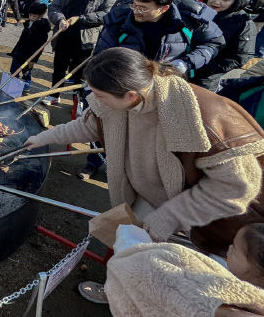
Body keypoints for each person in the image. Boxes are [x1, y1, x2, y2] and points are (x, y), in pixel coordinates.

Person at [24, 47, 264, 302]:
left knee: (183, 278)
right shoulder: (117, 103)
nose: (94, 100)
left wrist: (172, 215)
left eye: (99, 95)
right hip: (149, 196)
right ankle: (119, 291)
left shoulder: (202, 117)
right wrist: (41, 139)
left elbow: (237, 187)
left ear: (130, 95)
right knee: (131, 253)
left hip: (203, 217)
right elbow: (88, 125)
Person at [104, 223, 264, 315]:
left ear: (254, 269)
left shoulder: (229, 307)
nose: (229, 248)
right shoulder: (223, 267)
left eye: (235, 248)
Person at [95, 0, 225, 79]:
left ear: (164, 8)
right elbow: (103, 53)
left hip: (171, 80)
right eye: (134, 5)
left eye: (143, 8)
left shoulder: (191, 19)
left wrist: (186, 63)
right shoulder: (120, 19)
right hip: (131, 79)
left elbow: (214, 43)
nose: (136, 11)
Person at [45, 0, 115, 105]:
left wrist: (81, 18)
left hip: (86, 41)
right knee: (59, 68)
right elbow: (54, 7)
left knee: (81, 74)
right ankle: (54, 95)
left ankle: (79, 102)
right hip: (63, 36)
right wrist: (60, 19)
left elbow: (106, 14)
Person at [194, 0, 256, 90]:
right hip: (180, 67)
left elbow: (241, 57)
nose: (217, 2)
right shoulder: (199, 11)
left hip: (206, 77)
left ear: (236, 2)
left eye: (225, 0)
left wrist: (207, 68)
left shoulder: (243, 23)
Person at [9, 2, 51, 86]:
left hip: (30, 55)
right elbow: (21, 39)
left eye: (34, 16)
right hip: (19, 52)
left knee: (26, 71)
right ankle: (14, 84)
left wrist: (33, 60)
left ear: (40, 16)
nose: (31, 17)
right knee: (14, 68)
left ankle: (26, 83)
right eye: (30, 15)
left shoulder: (42, 29)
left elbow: (40, 47)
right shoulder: (28, 24)